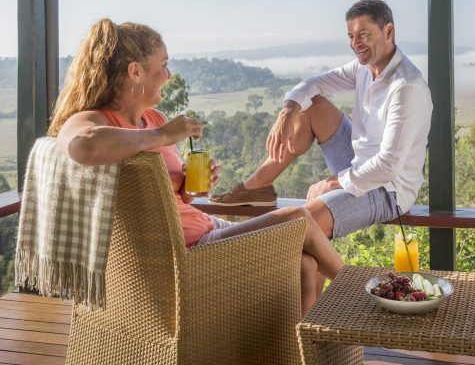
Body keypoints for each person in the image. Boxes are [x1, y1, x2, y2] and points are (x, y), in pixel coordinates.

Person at [48, 19, 342, 315]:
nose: (168, 74)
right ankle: (360, 295)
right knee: (298, 217)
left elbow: (176, 200)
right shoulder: (94, 120)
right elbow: (81, 146)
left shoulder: (155, 119)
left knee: (306, 263)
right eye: (163, 65)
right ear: (135, 72)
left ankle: (299, 343)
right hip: (186, 251)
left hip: (202, 228)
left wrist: (190, 186)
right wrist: (162, 137)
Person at [212, 0, 433, 241]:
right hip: (358, 162)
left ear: (388, 31)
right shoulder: (363, 69)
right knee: (311, 106)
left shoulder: (406, 87)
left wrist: (334, 182)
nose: (355, 44)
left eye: (363, 35)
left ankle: (226, 243)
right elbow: (313, 83)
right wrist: (288, 111)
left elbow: (388, 166)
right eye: (351, 36)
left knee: (301, 223)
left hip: (388, 188)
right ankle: (256, 188)